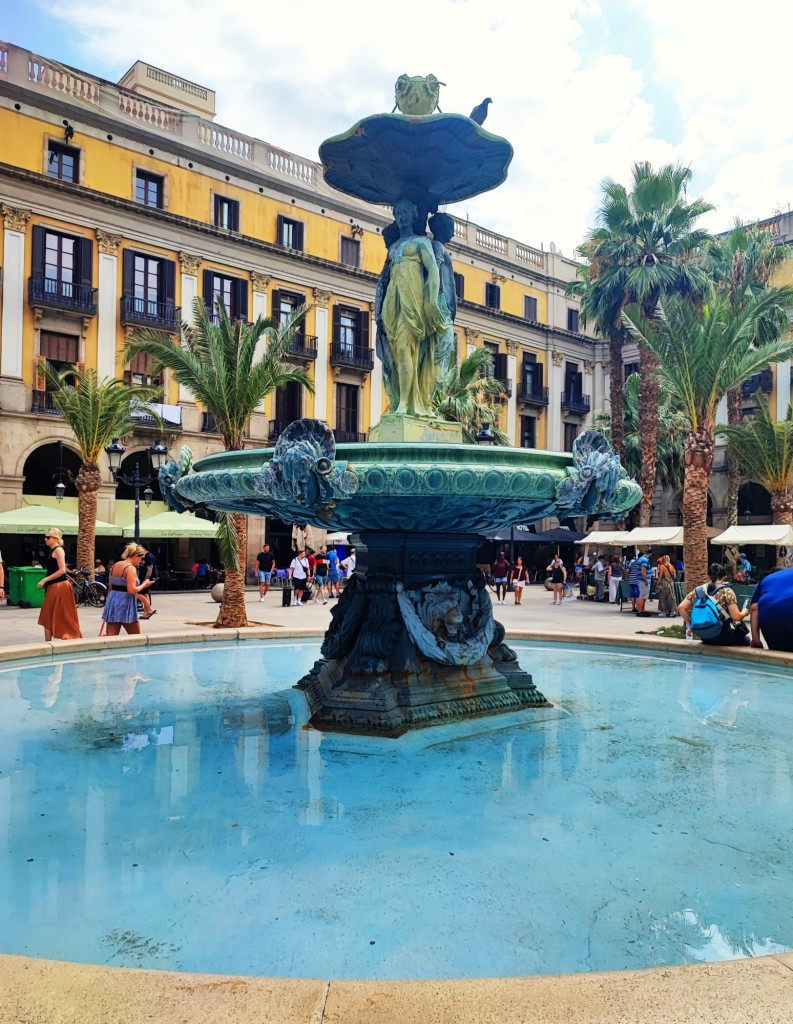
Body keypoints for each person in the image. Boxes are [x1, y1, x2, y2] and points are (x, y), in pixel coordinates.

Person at [374, 199, 448, 416]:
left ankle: (406, 404)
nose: (401, 216)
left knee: (407, 349)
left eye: (405, 212)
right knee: (399, 354)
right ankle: (406, 399)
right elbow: (385, 280)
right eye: (398, 212)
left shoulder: (421, 242)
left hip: (412, 301)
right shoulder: (394, 248)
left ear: (414, 214)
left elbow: (433, 271)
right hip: (393, 302)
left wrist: (432, 301)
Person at [678, 563, 750, 646]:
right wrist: (745, 612)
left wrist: (689, 624)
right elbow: (736, 617)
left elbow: (681, 607)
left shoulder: (698, 591)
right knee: (746, 640)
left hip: (704, 636)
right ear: (724, 576)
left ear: (708, 576)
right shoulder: (727, 592)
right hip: (722, 635)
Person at [36, 528, 82, 640]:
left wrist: (45, 579)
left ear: (56, 538)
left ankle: (72, 637)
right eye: (45, 537)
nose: (45, 539)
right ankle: (47, 643)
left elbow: (62, 570)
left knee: (64, 615)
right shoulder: (53, 550)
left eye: (48, 537)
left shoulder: (58, 550)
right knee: (48, 614)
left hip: (59, 586)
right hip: (54, 586)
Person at [102, 543, 156, 635]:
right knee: (136, 638)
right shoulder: (130, 568)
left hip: (113, 601)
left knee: (111, 639)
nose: (140, 561)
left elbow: (110, 587)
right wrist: (144, 584)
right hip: (125, 602)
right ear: (135, 556)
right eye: (141, 558)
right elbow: (132, 590)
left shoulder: (115, 565)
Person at [750, 566, 793, 651]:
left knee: (779, 652)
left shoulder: (766, 579)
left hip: (770, 617)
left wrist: (755, 639)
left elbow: (755, 608)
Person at [136, 541, 156, 618]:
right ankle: (146, 612)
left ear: (143, 547)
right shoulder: (143, 556)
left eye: (140, 546)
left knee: (137, 592)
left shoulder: (149, 556)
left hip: (146, 578)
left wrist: (146, 579)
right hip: (141, 577)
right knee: (145, 593)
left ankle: (149, 609)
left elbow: (150, 568)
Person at [635, 547, 652, 617]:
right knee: (642, 596)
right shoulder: (645, 560)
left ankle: (642, 610)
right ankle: (639, 611)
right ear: (650, 553)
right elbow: (643, 571)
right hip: (643, 580)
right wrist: (645, 580)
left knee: (643, 596)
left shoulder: (641, 558)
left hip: (640, 579)